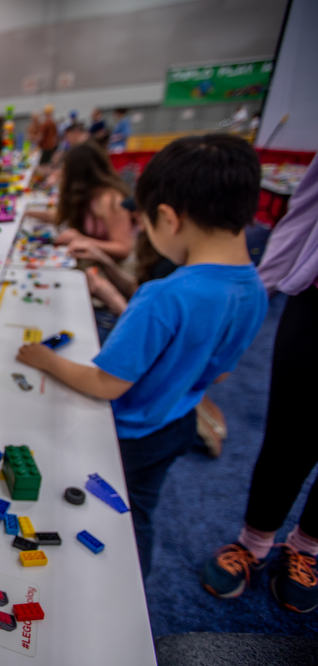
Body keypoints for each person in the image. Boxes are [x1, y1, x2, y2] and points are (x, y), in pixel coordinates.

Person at [17, 134, 268, 578]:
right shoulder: (255, 290)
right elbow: (222, 375)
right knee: (140, 514)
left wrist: (45, 359)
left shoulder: (163, 296)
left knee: (99, 512)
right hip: (177, 423)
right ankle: (135, 581)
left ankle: (107, 586)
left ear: (168, 218)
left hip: (128, 434)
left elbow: (106, 383)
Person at [200, 155, 318, 612]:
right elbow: (304, 213)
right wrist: (254, 295)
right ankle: (255, 540)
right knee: (291, 431)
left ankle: (307, 546)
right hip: (314, 306)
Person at [27, 141, 135, 261]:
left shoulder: (109, 199)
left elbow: (124, 248)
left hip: (109, 267)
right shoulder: (88, 195)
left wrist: (82, 239)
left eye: (64, 172)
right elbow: (59, 216)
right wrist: (25, 212)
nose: (61, 176)